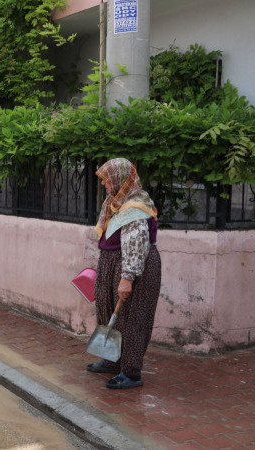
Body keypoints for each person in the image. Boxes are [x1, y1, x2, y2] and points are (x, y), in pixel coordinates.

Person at [87, 158, 161, 390]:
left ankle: (131, 372)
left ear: (121, 179)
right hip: (112, 263)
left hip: (132, 268)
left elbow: (136, 244)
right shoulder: (115, 202)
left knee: (132, 319)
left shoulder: (135, 206)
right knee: (109, 312)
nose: (105, 185)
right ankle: (112, 360)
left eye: (108, 180)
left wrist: (127, 278)